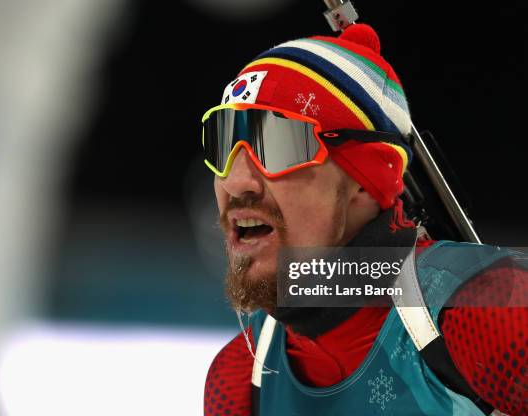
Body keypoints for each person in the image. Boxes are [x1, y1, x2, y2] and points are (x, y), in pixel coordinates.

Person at [201, 24, 526, 415]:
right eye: (222, 143)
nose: (236, 182)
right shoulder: (239, 377)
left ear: (366, 180)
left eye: (277, 143)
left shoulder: (490, 309)